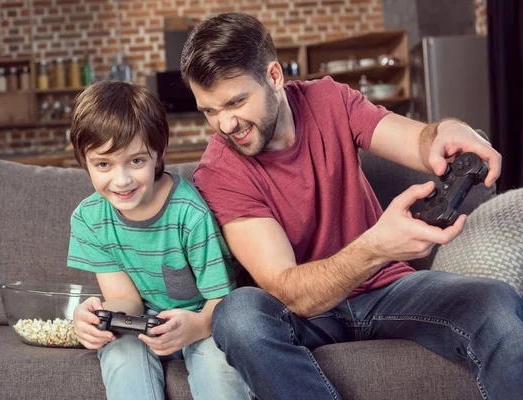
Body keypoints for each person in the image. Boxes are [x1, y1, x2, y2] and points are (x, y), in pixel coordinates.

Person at [180, 12, 523, 400]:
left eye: (236, 102)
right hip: (305, 316)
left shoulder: (327, 99)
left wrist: (446, 131)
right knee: (238, 315)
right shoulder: (219, 171)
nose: (225, 124)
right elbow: (292, 293)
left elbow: (418, 140)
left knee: (497, 303)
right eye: (210, 111)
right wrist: (377, 246)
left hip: (386, 291)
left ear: (274, 76)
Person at [66, 81, 250, 400]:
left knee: (218, 367)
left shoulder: (189, 213)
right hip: (142, 325)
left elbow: (223, 301)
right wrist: (97, 316)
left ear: (158, 152)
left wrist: (196, 326)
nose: (121, 180)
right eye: (103, 164)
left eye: (136, 161)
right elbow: (127, 300)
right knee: (119, 353)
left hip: (202, 320)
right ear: (84, 161)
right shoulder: (88, 219)